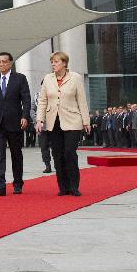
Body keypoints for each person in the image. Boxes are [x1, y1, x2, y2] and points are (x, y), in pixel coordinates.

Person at [36, 51, 91, 197]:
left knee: (69, 153)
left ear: (64, 63)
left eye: (56, 61)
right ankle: (63, 187)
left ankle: (74, 186)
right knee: (57, 154)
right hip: (53, 122)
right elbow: (42, 101)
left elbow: (82, 101)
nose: (53, 64)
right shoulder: (48, 79)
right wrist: (39, 120)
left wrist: (86, 121)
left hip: (72, 121)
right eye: (52, 62)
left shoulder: (76, 78)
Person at [0, 52, 31, 196]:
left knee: (16, 154)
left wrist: (25, 116)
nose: (1, 64)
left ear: (10, 63)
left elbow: (26, 99)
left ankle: (18, 183)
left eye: (4, 62)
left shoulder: (20, 79)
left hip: (15, 122)